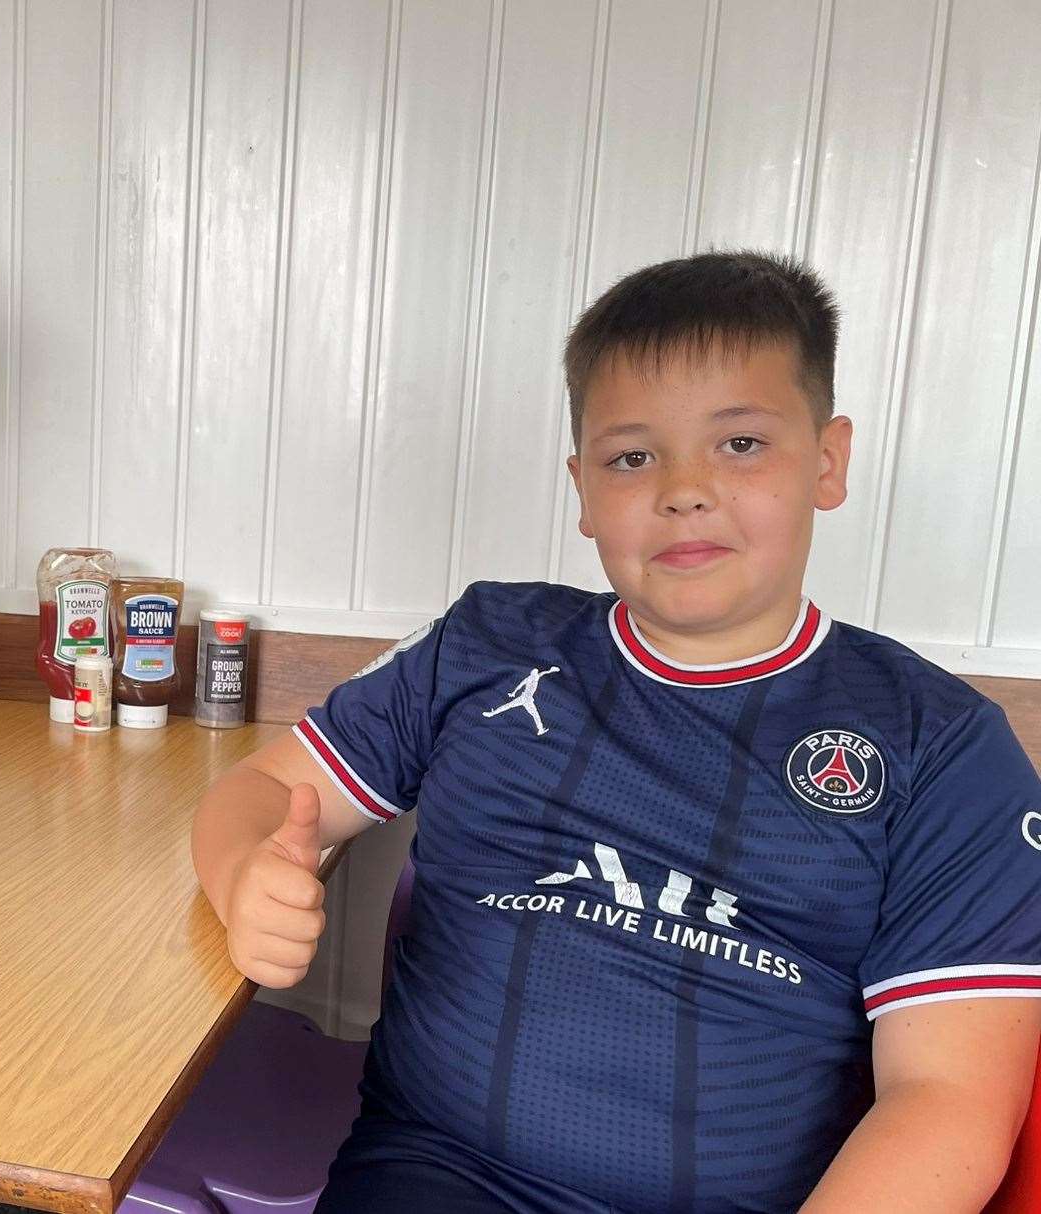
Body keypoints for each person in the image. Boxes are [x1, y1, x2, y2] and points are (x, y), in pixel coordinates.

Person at [191, 251, 1041, 1212]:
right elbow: (261, 792)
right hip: (433, 1178)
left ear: (828, 460)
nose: (684, 489)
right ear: (584, 489)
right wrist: (240, 876)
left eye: (742, 444)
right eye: (632, 457)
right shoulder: (486, 644)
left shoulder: (944, 745)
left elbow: (950, 1101)